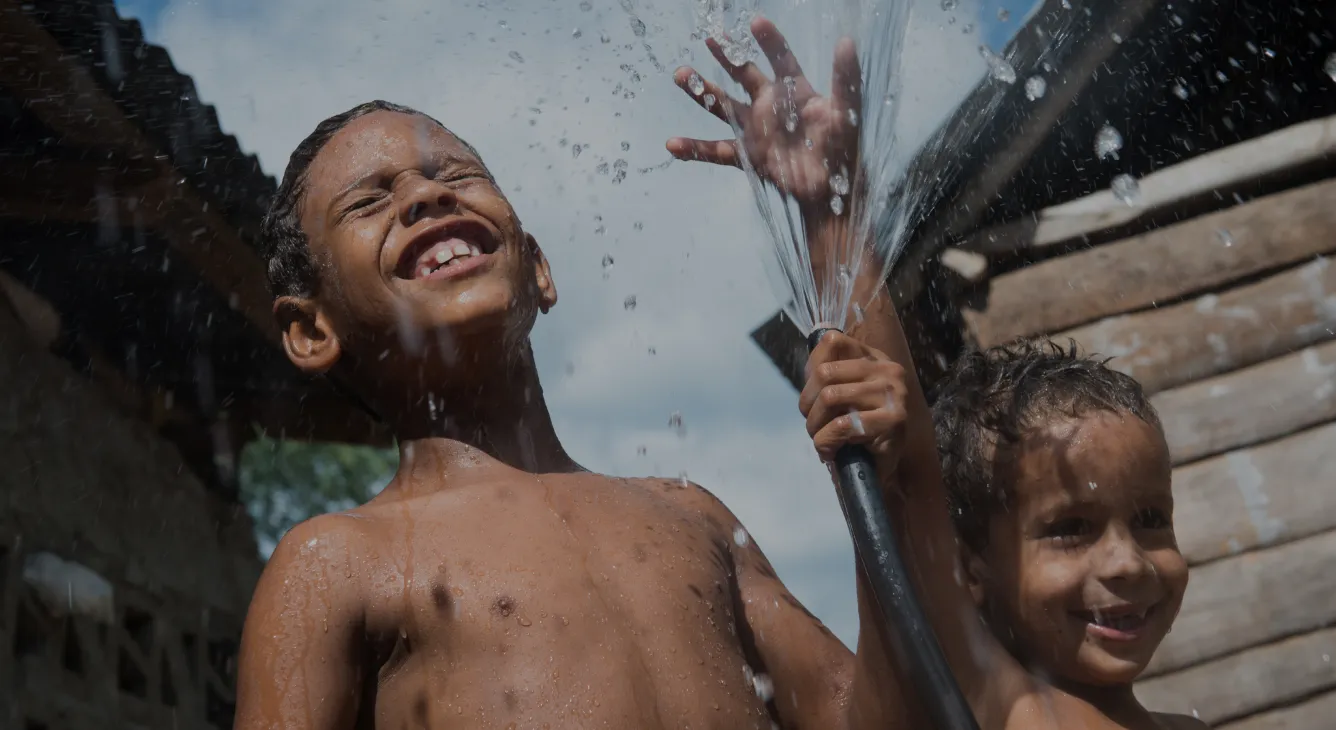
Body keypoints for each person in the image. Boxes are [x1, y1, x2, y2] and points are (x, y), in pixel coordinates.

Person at [233, 18, 938, 730]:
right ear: (311, 331)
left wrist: (832, 218)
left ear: (539, 268)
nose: (426, 196)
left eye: (457, 176)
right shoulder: (337, 563)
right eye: (368, 202)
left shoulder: (692, 518)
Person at [799, 334, 1211, 729]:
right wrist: (869, 387)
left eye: (1151, 520)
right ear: (969, 570)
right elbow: (911, 480)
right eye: (1072, 528)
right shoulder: (1003, 706)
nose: (1129, 563)